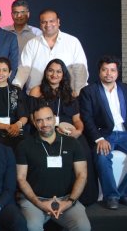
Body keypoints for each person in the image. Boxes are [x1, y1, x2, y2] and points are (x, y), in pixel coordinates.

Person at [79, 55, 127, 210]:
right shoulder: (88, 91)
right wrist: (98, 139)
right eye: (104, 70)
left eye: (112, 70)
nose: (108, 74)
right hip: (104, 135)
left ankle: (126, 194)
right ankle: (111, 196)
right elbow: (87, 119)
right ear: (99, 72)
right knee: (102, 157)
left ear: (117, 72)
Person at [27, 59, 98, 205]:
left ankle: (83, 197)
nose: (54, 74)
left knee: (84, 150)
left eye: (59, 71)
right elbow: (32, 118)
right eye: (51, 70)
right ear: (46, 72)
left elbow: (77, 119)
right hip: (45, 129)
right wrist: (50, 128)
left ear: (63, 74)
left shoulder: (69, 93)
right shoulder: (36, 91)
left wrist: (78, 131)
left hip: (68, 131)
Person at [16, 106, 90, 231]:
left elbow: (82, 175)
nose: (45, 124)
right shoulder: (24, 146)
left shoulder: (72, 143)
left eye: (48, 119)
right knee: (32, 227)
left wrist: (69, 202)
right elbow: (21, 178)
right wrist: (39, 203)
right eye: (39, 120)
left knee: (83, 227)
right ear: (34, 123)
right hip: (35, 200)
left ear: (55, 119)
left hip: (66, 199)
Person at [13, 9, 88, 95]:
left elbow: (80, 70)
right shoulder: (31, 44)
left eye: (51, 21)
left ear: (58, 22)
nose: (48, 24)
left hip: (66, 97)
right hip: (37, 96)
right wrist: (15, 89)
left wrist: (78, 93)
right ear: (40, 24)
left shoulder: (72, 42)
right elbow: (24, 69)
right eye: (44, 22)